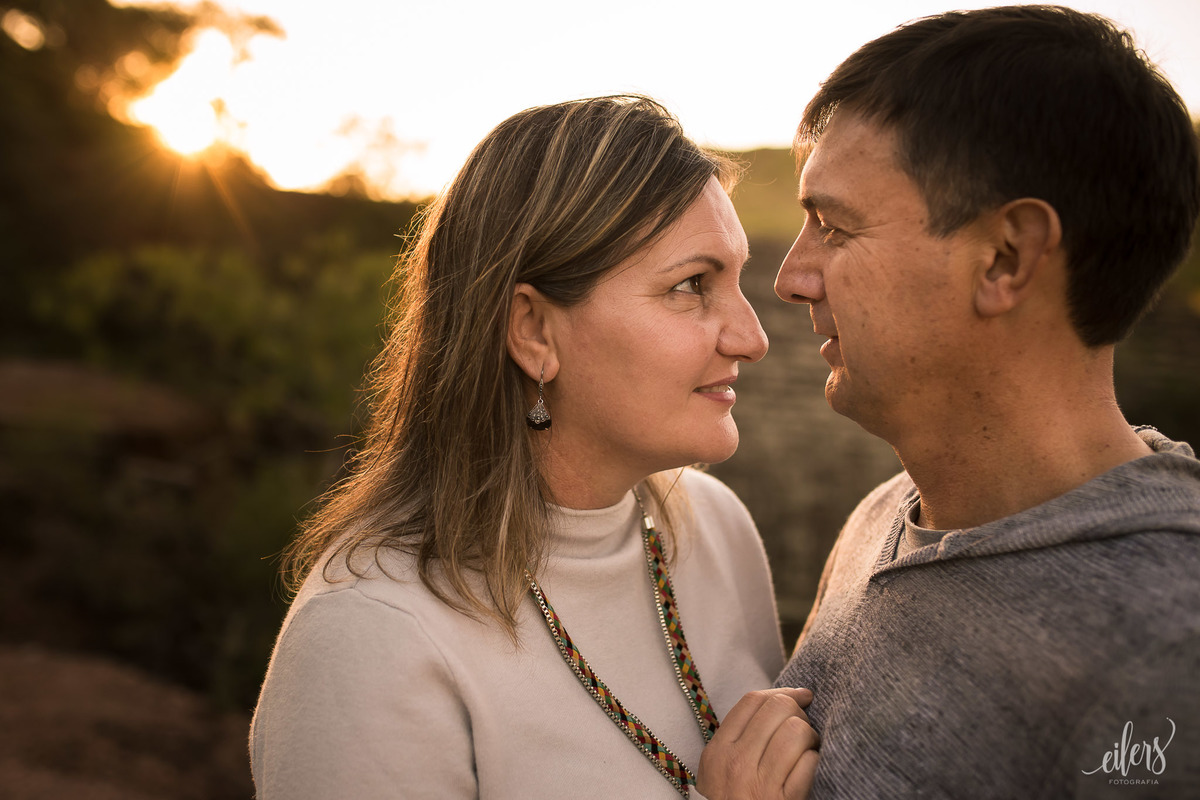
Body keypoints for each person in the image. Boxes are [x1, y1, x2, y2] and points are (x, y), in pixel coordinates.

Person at [697, 6, 1200, 799]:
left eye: (834, 226)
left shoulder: (1169, 655)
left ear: (1005, 258)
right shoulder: (883, 520)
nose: (791, 278)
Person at [250, 95, 806, 798]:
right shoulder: (371, 636)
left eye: (735, 279)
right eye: (692, 285)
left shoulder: (713, 529)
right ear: (534, 332)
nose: (751, 338)